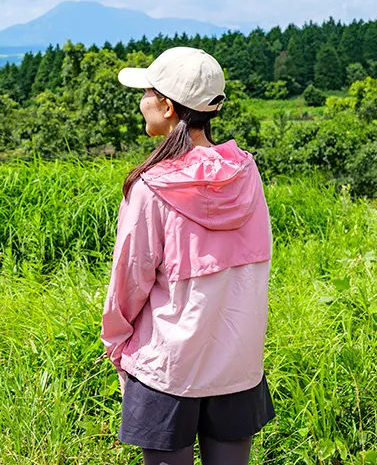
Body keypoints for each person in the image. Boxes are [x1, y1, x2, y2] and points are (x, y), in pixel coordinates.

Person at [101, 47, 275, 465]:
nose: (142, 100)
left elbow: (129, 282)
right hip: (238, 363)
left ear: (165, 104)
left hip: (167, 367)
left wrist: (117, 345)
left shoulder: (151, 187)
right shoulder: (247, 174)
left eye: (146, 91)